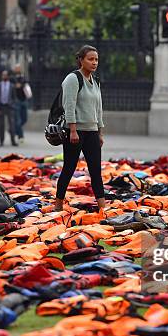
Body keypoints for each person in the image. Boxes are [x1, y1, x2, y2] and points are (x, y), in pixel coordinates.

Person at [55, 45, 105, 213]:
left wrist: (100, 131)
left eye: (96, 59)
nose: (94, 62)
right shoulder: (73, 78)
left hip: (92, 131)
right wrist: (73, 130)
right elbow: (69, 105)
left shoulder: (96, 80)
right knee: (69, 168)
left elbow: (99, 108)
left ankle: (102, 207)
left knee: (96, 170)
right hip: (74, 132)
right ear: (81, 60)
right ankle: (58, 202)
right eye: (90, 59)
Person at [0, 70, 17, 147]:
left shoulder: (12, 86)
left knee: (12, 125)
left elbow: (14, 97)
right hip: (1, 107)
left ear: (8, 76)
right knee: (1, 125)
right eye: (3, 75)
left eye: (5, 75)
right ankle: (1, 141)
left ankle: (13, 141)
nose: (4, 76)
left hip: (9, 107)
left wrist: (13, 105)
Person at [11, 64, 30, 143]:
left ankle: (14, 130)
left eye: (19, 68)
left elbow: (25, 82)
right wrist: (15, 86)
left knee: (25, 119)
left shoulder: (23, 77)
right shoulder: (12, 78)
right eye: (16, 68)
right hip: (16, 100)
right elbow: (11, 86)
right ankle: (20, 136)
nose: (18, 69)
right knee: (18, 120)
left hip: (24, 100)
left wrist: (20, 85)